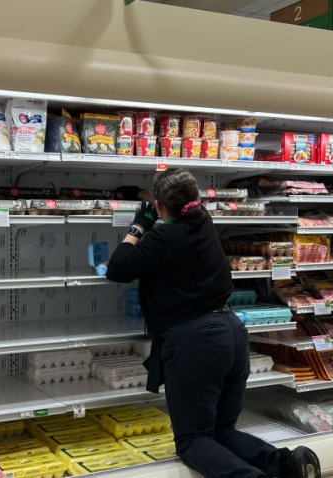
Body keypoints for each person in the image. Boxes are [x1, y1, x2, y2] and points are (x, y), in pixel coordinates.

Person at [106, 169, 321, 478]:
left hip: (195, 343)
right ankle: (287, 464)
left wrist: (139, 225)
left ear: (161, 206)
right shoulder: (203, 223)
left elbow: (118, 268)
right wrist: (149, 198)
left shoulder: (163, 237)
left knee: (193, 441)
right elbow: (178, 201)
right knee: (221, 431)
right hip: (231, 335)